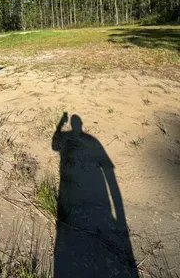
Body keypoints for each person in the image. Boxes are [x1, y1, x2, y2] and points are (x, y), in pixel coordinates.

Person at [52, 112, 138, 277]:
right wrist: (120, 216)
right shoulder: (92, 141)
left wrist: (59, 125)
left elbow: (55, 145)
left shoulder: (86, 140)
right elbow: (109, 172)